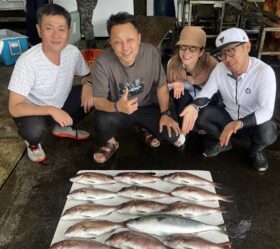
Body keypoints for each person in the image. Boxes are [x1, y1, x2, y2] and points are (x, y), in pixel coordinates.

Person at [91, 12, 184, 164]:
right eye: (118, 42)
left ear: (139, 38)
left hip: (147, 106)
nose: (125, 47)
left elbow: (161, 86)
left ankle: (142, 128)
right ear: (110, 42)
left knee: (172, 135)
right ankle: (111, 142)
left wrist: (165, 113)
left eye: (130, 40)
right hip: (119, 110)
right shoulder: (101, 62)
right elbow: (98, 101)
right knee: (102, 118)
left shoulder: (152, 53)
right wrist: (116, 106)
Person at [180, 27, 277, 172]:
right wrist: (193, 107)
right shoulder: (220, 69)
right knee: (201, 115)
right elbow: (206, 93)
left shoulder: (264, 71)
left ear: (247, 47)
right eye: (222, 54)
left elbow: (267, 111)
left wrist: (240, 123)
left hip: (252, 123)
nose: (227, 59)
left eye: (231, 51)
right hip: (229, 117)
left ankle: (256, 150)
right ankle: (223, 142)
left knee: (268, 130)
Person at [8, 3, 94, 163]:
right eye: (49, 28)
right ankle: (33, 144)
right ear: (39, 30)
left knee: (95, 93)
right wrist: (51, 110)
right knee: (34, 130)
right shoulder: (27, 61)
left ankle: (61, 127)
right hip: (33, 112)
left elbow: (86, 75)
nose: (56, 35)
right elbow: (14, 107)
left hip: (60, 105)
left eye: (61, 29)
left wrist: (88, 85)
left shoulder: (73, 52)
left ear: (69, 31)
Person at [167, 26, 217, 129]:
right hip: (185, 102)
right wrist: (174, 84)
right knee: (179, 94)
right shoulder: (172, 64)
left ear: (201, 52)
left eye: (193, 48)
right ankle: (183, 129)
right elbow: (162, 89)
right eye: (183, 47)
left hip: (206, 102)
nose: (186, 53)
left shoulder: (212, 65)